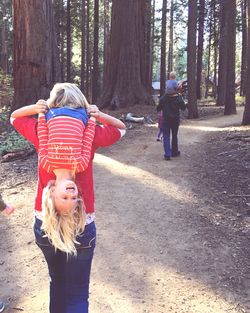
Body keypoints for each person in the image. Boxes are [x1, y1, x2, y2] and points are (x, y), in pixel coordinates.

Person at [10, 100, 126, 312]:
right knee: (77, 292)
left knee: (57, 282)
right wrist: (98, 115)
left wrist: (37, 110)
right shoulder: (84, 132)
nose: (73, 195)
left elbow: (15, 118)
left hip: (46, 224)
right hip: (81, 225)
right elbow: (120, 129)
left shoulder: (41, 130)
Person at [157, 92, 186, 160]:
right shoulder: (179, 98)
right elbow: (183, 108)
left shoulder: (163, 98)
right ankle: (174, 152)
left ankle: (167, 154)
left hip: (166, 120)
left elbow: (158, 108)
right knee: (174, 135)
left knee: (166, 136)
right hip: (175, 120)